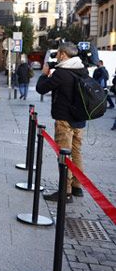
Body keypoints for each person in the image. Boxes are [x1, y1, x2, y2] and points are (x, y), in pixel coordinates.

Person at [36, 42, 88, 202]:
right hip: (79, 119)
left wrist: (44, 74)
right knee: (76, 153)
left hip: (64, 120)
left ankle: (65, 192)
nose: (57, 56)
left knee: (64, 155)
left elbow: (41, 89)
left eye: (58, 53)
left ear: (64, 55)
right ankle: (77, 187)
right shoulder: (82, 70)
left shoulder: (61, 73)